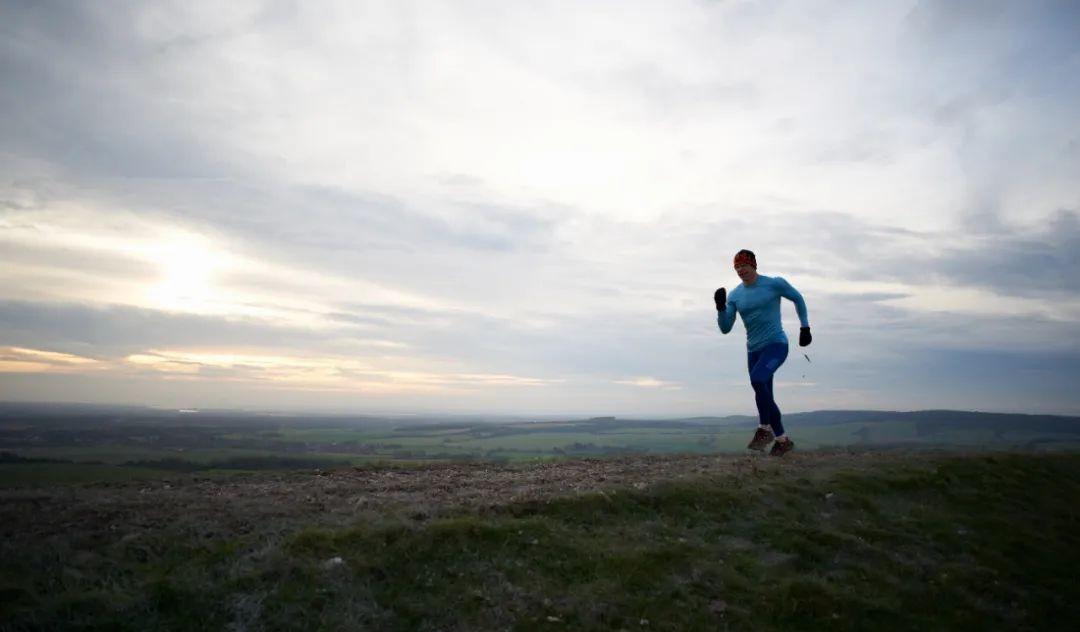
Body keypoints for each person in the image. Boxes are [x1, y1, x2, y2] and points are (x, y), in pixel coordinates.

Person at [714, 249, 811, 456]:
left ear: (753, 265)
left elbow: (798, 298)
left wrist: (805, 327)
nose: (741, 270)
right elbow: (725, 328)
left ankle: (764, 429)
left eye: (744, 266)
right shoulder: (735, 295)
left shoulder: (774, 284)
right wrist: (721, 308)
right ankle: (782, 439)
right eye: (737, 267)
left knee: (758, 380)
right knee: (762, 390)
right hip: (754, 351)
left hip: (776, 345)